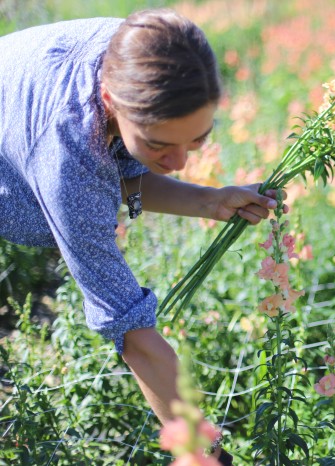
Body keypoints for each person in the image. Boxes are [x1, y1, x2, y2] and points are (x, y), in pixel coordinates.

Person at [0, 8, 281, 464]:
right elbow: (135, 337)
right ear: (109, 99)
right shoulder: (68, 161)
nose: (181, 163)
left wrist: (210, 201)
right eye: (158, 145)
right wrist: (204, 450)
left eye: (197, 139)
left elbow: (121, 166)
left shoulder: (143, 52)